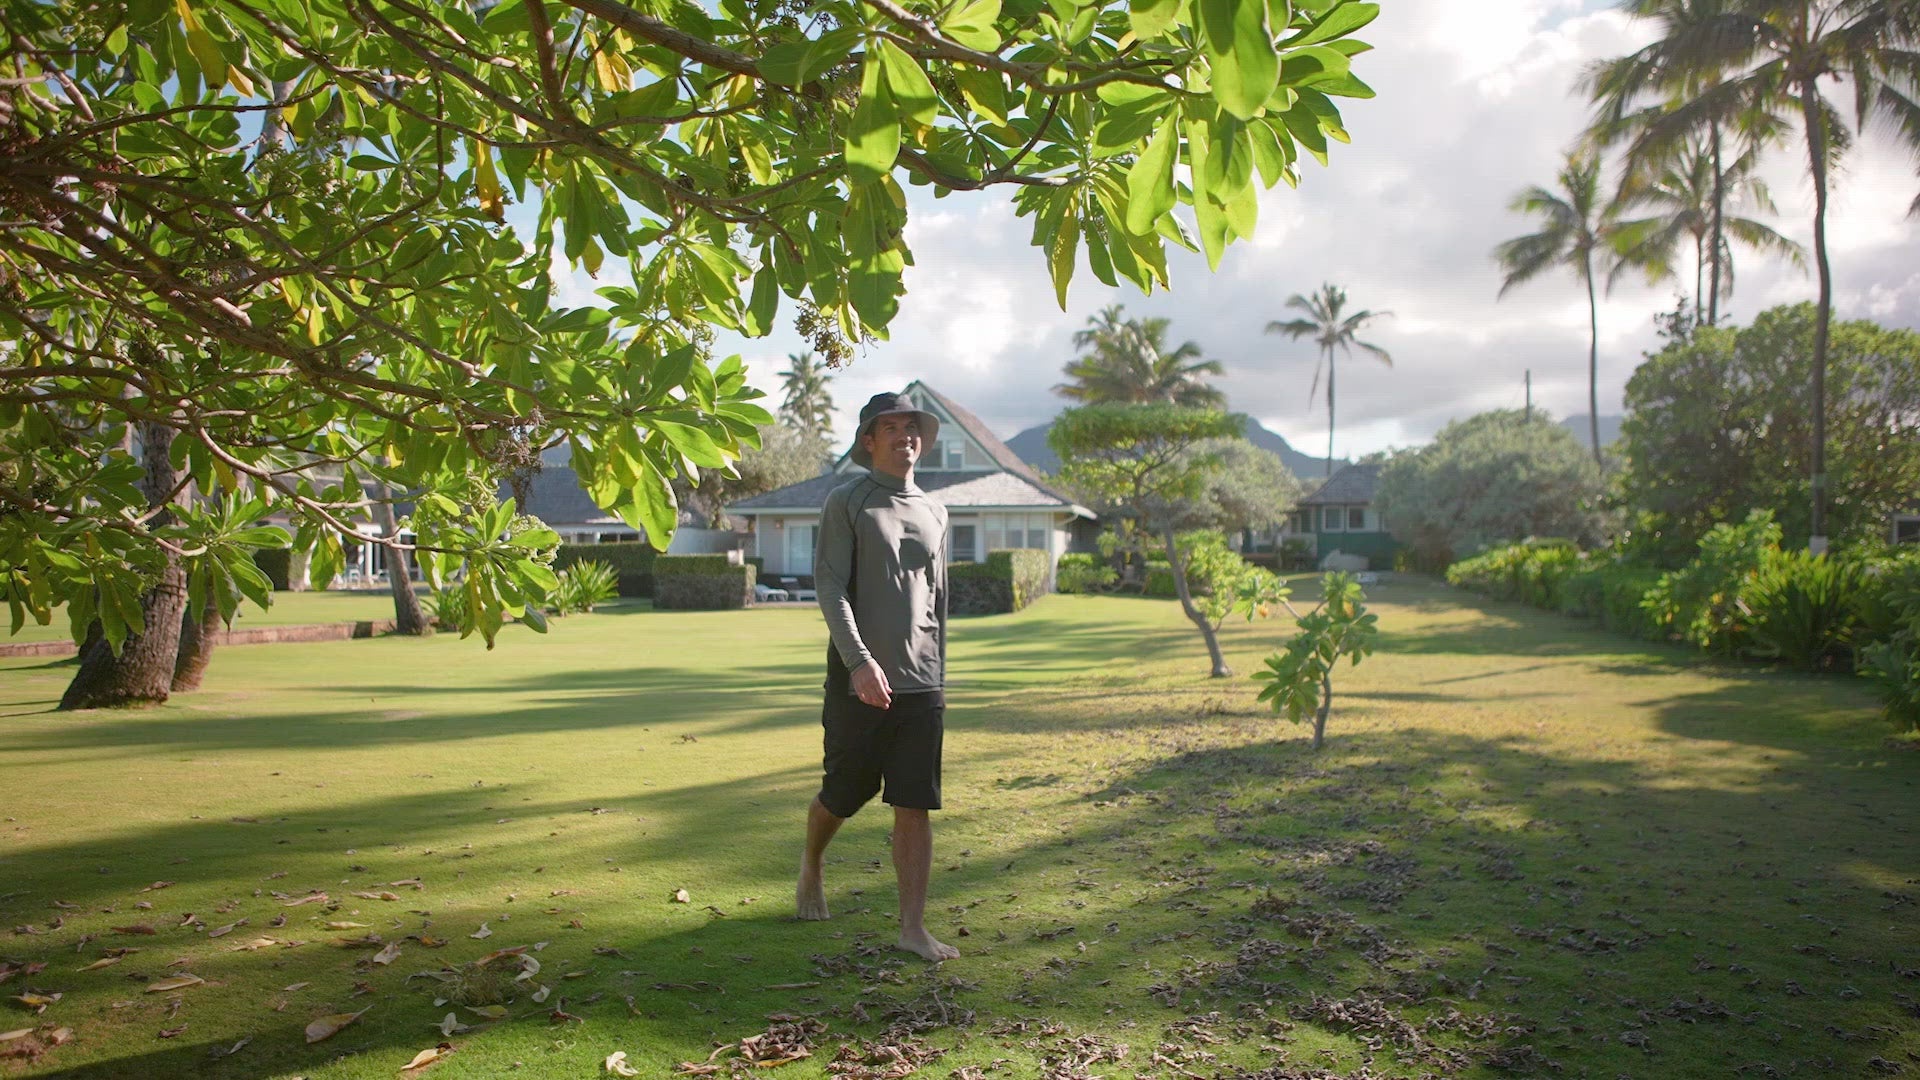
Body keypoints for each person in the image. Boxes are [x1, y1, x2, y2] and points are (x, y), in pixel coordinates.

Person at [796, 391, 959, 962]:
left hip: (922, 684)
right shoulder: (849, 499)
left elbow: (939, 602)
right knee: (843, 793)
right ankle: (812, 863)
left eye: (911, 427)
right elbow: (829, 585)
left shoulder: (938, 511)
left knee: (914, 802)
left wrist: (939, 672)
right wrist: (859, 661)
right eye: (890, 427)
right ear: (869, 440)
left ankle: (913, 928)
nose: (904, 436)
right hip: (858, 679)